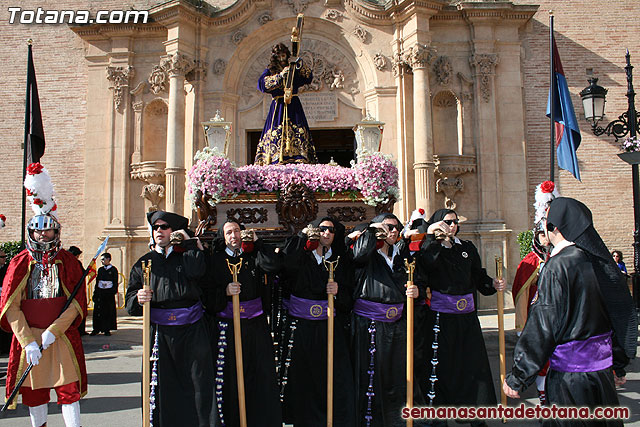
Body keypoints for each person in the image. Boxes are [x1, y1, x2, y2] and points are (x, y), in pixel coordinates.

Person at [503, 198, 637, 426]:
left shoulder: (558, 266)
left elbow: (544, 324)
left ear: (555, 227)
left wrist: (519, 375)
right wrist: (619, 363)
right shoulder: (599, 261)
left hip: (570, 377)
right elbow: (619, 315)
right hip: (602, 373)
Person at [0, 162, 87, 427]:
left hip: (59, 337)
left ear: (55, 231)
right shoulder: (19, 262)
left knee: (68, 391)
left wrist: (53, 331)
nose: (42, 234)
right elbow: (11, 306)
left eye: (47, 229)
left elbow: (75, 302)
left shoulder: (68, 262)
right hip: (30, 337)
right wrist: (27, 340)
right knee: (34, 394)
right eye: (38, 230)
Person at [125, 210, 216, 427]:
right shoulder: (143, 263)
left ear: (174, 231)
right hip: (160, 334)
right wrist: (138, 298)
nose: (159, 231)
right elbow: (130, 302)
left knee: (197, 383)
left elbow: (198, 273)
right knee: (163, 385)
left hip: (192, 330)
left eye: (164, 227)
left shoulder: (187, 257)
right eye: (155, 227)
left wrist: (189, 242)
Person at [416, 209, 505, 426]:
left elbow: (478, 276)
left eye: (455, 222)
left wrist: (491, 284)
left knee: (472, 366)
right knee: (442, 366)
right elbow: (425, 266)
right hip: (441, 319)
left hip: (467, 319)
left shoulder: (466, 248)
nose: (452, 226)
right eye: (447, 222)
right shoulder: (430, 248)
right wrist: (434, 239)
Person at [348, 212, 425, 427]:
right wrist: (373, 231)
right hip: (371, 324)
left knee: (398, 375)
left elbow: (417, 277)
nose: (393, 231)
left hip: (398, 323)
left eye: (396, 228)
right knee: (373, 376)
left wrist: (416, 290)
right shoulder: (366, 253)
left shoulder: (401, 255)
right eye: (388, 227)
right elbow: (359, 254)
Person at [280, 216, 355, 426]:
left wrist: (338, 291)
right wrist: (303, 236)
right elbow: (287, 265)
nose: (326, 233)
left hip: (329, 325)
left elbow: (349, 293)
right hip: (302, 326)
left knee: (330, 374)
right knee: (303, 376)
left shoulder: (341, 259)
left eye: (331, 230)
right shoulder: (302, 255)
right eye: (322, 229)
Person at [211, 220, 282, 426]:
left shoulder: (253, 256)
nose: (233, 235)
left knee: (259, 375)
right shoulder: (216, 260)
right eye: (229, 232)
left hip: (255, 325)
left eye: (237, 231)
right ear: (223, 237)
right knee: (231, 377)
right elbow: (206, 292)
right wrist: (224, 292)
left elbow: (273, 265)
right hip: (229, 327)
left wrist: (258, 244)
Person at [254, 42, 317, 165]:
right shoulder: (270, 70)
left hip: (293, 104)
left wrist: (299, 63)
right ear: (275, 57)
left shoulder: (293, 69)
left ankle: (300, 155)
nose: (282, 59)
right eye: (279, 56)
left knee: (298, 131)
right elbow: (262, 84)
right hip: (278, 106)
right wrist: (280, 77)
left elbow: (308, 77)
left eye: (284, 56)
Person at [90, 252, 118, 336]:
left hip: (108, 293)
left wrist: (112, 291)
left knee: (107, 311)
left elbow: (115, 282)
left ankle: (107, 329)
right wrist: (96, 293)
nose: (102, 261)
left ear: (108, 259)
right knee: (98, 311)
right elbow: (97, 281)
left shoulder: (113, 270)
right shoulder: (101, 270)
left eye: (103, 259)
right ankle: (96, 329)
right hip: (100, 293)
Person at [68, 245, 88, 336]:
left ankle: (80, 330)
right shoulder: (72, 263)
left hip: (77, 290)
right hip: (74, 291)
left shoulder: (75, 263)